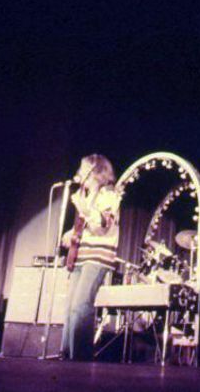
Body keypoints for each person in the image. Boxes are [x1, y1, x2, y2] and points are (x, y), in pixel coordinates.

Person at [60, 153, 121, 360]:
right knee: (70, 308)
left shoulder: (109, 195)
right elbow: (86, 226)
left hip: (97, 256)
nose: (79, 172)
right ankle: (66, 355)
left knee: (81, 306)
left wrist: (83, 207)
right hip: (81, 255)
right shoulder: (85, 196)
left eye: (83, 168)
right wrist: (71, 233)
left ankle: (80, 359)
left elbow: (102, 225)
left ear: (95, 172)